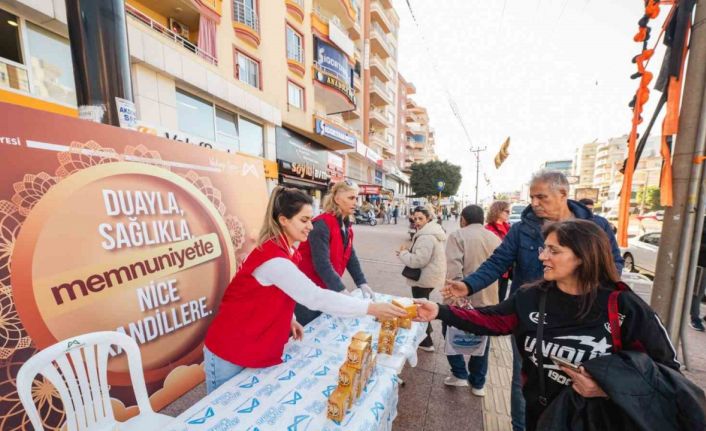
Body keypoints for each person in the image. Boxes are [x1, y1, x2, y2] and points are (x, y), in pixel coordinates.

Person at [418, 220, 679, 431]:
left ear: (584, 256)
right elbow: (494, 319)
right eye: (544, 248)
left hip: (603, 419)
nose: (542, 256)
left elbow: (665, 372)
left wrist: (607, 389)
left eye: (554, 250)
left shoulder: (624, 307)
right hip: (541, 415)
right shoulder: (531, 296)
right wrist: (440, 311)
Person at [443, 171, 623, 431]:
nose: (534, 203)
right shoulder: (522, 229)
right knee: (523, 384)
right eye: (532, 197)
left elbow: (612, 268)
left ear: (563, 194)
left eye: (541, 197)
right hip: (531, 320)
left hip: (582, 323)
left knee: (577, 386)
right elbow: (497, 263)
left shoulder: (598, 227)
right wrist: (467, 284)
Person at [203, 187, 406, 394]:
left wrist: (289, 318)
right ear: (283, 220)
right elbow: (315, 297)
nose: (310, 226)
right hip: (228, 348)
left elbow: (275, 291)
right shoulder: (274, 258)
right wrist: (371, 308)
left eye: (310, 219)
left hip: (250, 343)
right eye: (304, 220)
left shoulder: (286, 250)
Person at [296, 181, 377, 326]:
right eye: (351, 198)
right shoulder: (321, 225)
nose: (356, 203)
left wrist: (361, 282)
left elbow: (350, 255)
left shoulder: (346, 225)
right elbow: (322, 264)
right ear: (337, 199)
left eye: (356, 198)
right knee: (307, 331)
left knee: (323, 328)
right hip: (308, 291)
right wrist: (341, 291)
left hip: (326, 288)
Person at [443, 205, 500, 396]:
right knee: (483, 340)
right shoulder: (494, 238)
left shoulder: (457, 236)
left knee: (449, 333)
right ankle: (478, 383)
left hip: (461, 298)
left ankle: (459, 374)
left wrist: (456, 297)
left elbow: (454, 270)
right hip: (488, 299)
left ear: (463, 219)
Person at [397, 206, 447, 351]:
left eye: (421, 218)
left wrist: (403, 254)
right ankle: (425, 339)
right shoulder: (432, 232)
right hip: (429, 277)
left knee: (421, 309)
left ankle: (426, 342)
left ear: (428, 219)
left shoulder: (426, 236)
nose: (417, 221)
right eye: (415, 218)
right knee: (423, 306)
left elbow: (418, 261)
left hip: (423, 278)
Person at [486, 200, 512, 302]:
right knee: (493, 300)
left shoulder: (509, 228)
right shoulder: (488, 229)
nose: (509, 213)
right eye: (506, 211)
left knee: (501, 298)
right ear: (498, 211)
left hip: (506, 270)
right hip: (494, 269)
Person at [690, 220, 706, 331]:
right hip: (702, 263)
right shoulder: (701, 220)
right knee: (698, 293)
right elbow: (693, 243)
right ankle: (694, 319)